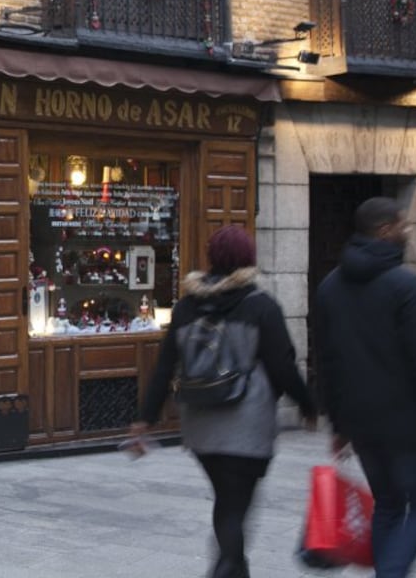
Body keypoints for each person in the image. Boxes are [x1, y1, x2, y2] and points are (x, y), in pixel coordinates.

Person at [127, 225, 316, 578]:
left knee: (227, 501)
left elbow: (165, 365)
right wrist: (308, 405)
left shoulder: (185, 308)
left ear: (211, 258)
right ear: (248, 259)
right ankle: (226, 569)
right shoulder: (260, 306)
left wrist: (145, 419)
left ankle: (232, 568)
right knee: (235, 505)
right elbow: (282, 365)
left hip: (200, 424)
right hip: (248, 424)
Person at [313, 196, 416, 578]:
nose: (408, 230)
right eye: (403, 224)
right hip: (409, 425)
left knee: (389, 505)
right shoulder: (407, 287)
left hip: (362, 425)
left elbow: (327, 362)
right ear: (384, 230)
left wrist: (340, 426)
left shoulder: (329, 287)